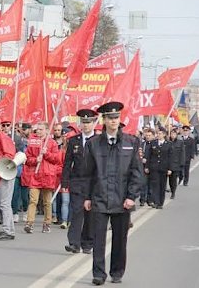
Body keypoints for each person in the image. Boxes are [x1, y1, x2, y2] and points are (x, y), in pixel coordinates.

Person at [84, 102, 142, 285]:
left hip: (122, 199)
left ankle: (117, 272)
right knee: (98, 240)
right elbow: (87, 173)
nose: (114, 121)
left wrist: (132, 197)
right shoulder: (94, 144)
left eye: (116, 117)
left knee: (120, 240)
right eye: (110, 118)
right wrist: (87, 197)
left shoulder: (131, 142)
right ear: (104, 120)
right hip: (99, 198)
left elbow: (137, 172)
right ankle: (98, 274)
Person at [62, 109, 97, 254]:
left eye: (89, 122)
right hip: (77, 181)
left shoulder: (98, 141)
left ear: (94, 123)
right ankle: (74, 243)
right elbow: (67, 163)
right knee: (76, 211)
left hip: (93, 182)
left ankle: (87, 242)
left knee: (90, 213)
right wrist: (64, 182)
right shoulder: (73, 141)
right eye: (83, 122)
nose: (86, 125)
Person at [22, 122, 61, 234]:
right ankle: (29, 223)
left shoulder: (52, 143)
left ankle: (47, 223)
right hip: (36, 175)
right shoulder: (32, 143)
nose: (38, 131)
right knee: (33, 200)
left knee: (47, 202)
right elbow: (27, 159)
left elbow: (56, 159)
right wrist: (35, 160)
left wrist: (46, 153)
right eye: (37, 129)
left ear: (47, 130)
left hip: (48, 175)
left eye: (41, 129)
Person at [144, 127, 172, 209]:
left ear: (164, 134)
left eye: (160, 133)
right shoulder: (153, 143)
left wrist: (170, 169)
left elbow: (170, 157)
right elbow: (149, 156)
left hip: (164, 168)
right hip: (154, 168)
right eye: (157, 133)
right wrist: (147, 166)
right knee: (155, 185)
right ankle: (156, 202)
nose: (158, 135)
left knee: (162, 186)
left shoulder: (168, 144)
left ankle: (160, 203)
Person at [168, 128, 185, 199]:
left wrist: (181, 163)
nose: (173, 135)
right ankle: (171, 189)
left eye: (174, 134)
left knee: (174, 179)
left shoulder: (180, 142)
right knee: (170, 180)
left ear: (176, 135)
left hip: (176, 164)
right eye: (172, 134)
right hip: (168, 164)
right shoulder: (167, 142)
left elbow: (182, 153)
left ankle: (173, 193)